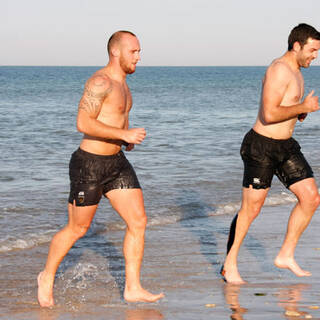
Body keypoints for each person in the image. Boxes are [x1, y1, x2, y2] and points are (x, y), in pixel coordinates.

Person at [37, 30, 164, 307]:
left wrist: (123, 139)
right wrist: (126, 134)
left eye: (139, 51)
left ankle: (133, 287)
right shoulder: (100, 81)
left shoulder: (124, 84)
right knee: (77, 229)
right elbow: (83, 122)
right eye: (134, 52)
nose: (139, 57)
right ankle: (46, 276)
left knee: (138, 222)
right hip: (90, 165)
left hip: (117, 164)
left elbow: (114, 120)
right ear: (116, 52)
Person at [221, 23, 320, 284]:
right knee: (251, 209)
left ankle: (286, 254)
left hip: (285, 146)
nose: (315, 56)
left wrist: (300, 112)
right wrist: (303, 105)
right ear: (297, 45)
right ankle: (229, 264)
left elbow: (284, 110)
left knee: (311, 197)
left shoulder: (297, 71)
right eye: (312, 50)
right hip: (261, 146)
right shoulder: (279, 69)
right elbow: (269, 114)